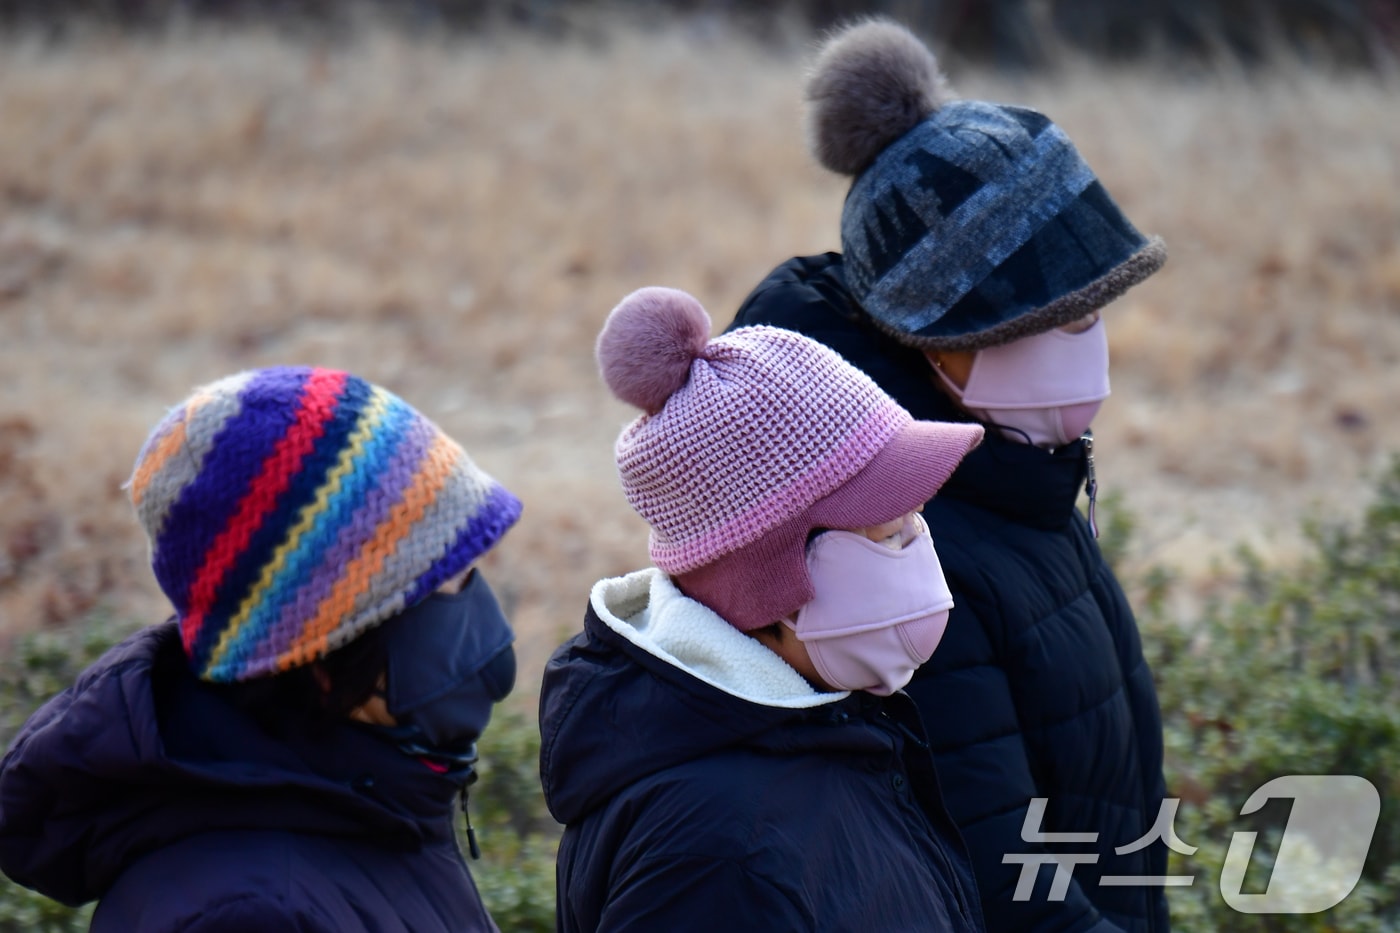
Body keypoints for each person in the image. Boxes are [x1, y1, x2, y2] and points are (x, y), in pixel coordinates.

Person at [727, 19, 1171, 933]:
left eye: (1092, 309)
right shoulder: (902, 545)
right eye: (1048, 316)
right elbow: (1001, 882)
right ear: (935, 343)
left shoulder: (1020, 475)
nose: (1084, 338)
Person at [0, 366, 522, 932]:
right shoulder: (248, 916)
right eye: (434, 587)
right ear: (319, 650)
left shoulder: (374, 805)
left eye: (466, 572)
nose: (472, 608)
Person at [539, 286, 988, 932]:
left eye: (916, 517)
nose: (919, 543)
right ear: (772, 579)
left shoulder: (821, 725)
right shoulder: (715, 858)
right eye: (888, 528)